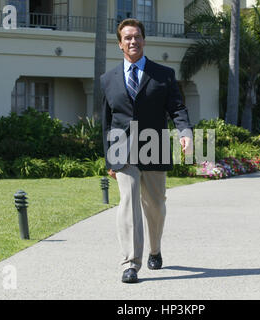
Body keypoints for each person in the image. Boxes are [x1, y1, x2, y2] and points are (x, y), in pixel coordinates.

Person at [100, 18, 193, 284]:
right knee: (128, 203)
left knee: (155, 205)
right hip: (122, 149)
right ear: (120, 44)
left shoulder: (163, 74)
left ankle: (155, 249)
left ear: (144, 40)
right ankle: (131, 262)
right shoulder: (108, 79)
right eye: (127, 38)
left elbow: (177, 108)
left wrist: (184, 133)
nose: (133, 41)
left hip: (155, 145)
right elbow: (106, 122)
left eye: (137, 36)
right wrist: (109, 156)